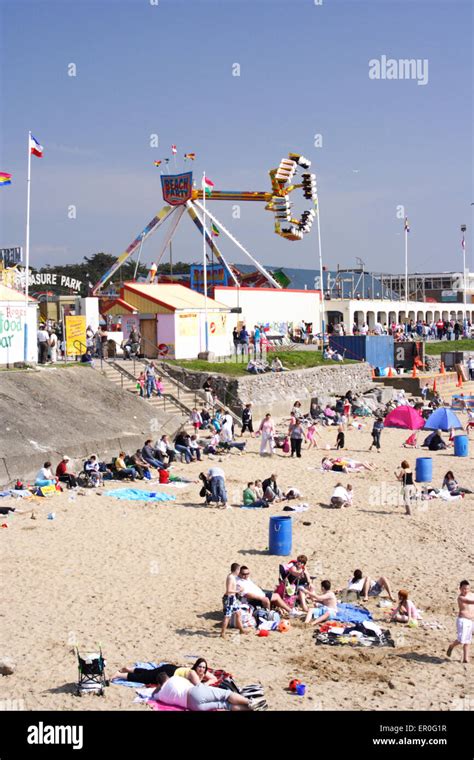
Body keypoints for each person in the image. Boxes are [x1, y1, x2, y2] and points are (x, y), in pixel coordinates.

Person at [152, 672, 261, 711]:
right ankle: (249, 702)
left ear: (160, 684)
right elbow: (190, 676)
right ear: (167, 676)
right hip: (194, 692)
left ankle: (251, 709)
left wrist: (159, 687)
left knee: (225, 705)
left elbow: (153, 694)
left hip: (193, 707)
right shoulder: (175, 678)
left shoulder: (160, 695)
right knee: (227, 695)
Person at [446, 580, 474, 664]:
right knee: (461, 639)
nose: (466, 590)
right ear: (460, 589)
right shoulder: (460, 597)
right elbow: (469, 602)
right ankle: (451, 646)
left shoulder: (472, 594)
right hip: (463, 620)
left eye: (467, 589)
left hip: (470, 620)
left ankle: (465, 658)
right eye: (464, 589)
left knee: (468, 640)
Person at [221, 563, 250, 638]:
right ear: (237, 570)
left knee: (238, 613)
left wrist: (238, 587)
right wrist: (238, 591)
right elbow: (228, 590)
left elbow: (233, 587)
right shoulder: (230, 577)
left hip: (233, 599)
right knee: (227, 616)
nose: (239, 572)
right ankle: (222, 633)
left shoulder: (233, 577)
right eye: (239, 570)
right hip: (228, 599)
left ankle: (241, 630)